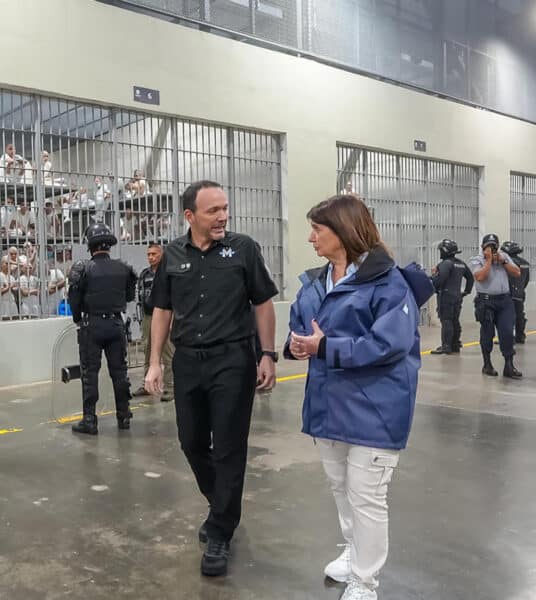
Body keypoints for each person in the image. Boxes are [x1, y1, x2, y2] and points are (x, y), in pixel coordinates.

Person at [286, 194, 421, 600]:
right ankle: (353, 549)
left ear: (342, 233)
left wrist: (325, 348)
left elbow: (388, 344)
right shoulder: (315, 281)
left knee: (367, 497)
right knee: (341, 487)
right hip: (328, 405)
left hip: (374, 408)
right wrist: (297, 345)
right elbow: (300, 323)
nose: (310, 238)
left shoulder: (389, 282)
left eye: (317, 230)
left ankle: (365, 581)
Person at [145, 180, 278, 578]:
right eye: (213, 211)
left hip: (233, 359)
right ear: (190, 216)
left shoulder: (244, 249)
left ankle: (220, 529)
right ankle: (220, 500)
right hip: (187, 361)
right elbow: (162, 311)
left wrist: (267, 354)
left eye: (225, 209)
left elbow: (263, 303)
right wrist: (154, 362)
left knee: (229, 447)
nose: (223, 217)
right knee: (190, 442)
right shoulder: (172, 255)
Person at [67, 223, 137, 435]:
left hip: (92, 325)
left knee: (90, 374)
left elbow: (74, 300)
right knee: (120, 372)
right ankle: (124, 417)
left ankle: (90, 420)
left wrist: (79, 318)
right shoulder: (124, 268)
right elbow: (129, 297)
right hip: (116, 325)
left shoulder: (83, 268)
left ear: (90, 246)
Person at [469, 234, 522, 378]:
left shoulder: (503, 257)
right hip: (486, 302)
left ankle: (509, 366)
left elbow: (517, 272)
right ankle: (487, 364)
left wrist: (503, 261)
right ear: (483, 247)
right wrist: (488, 261)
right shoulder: (476, 260)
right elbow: (480, 277)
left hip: (504, 301)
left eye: (494, 246)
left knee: (506, 332)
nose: (491, 249)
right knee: (487, 333)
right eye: (488, 246)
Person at [134, 242, 174, 401]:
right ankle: (147, 385)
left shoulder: (168, 273)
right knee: (148, 351)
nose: (151, 257)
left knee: (168, 353)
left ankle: (170, 387)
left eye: (154, 254)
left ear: (161, 255)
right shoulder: (144, 274)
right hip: (148, 316)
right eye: (148, 254)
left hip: (165, 315)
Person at [430, 239, 473, 354]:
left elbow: (440, 279)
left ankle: (446, 346)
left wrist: (433, 279)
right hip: (457, 296)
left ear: (444, 251)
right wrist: (466, 292)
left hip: (446, 296)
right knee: (455, 320)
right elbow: (470, 277)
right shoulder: (460, 263)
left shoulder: (445, 264)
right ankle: (455, 344)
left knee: (446, 321)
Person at [502, 241, 529, 344]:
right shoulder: (525, 263)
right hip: (520, 293)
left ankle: (509, 338)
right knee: (519, 315)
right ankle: (520, 336)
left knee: (507, 316)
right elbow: (526, 280)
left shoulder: (510, 263)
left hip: (509, 293)